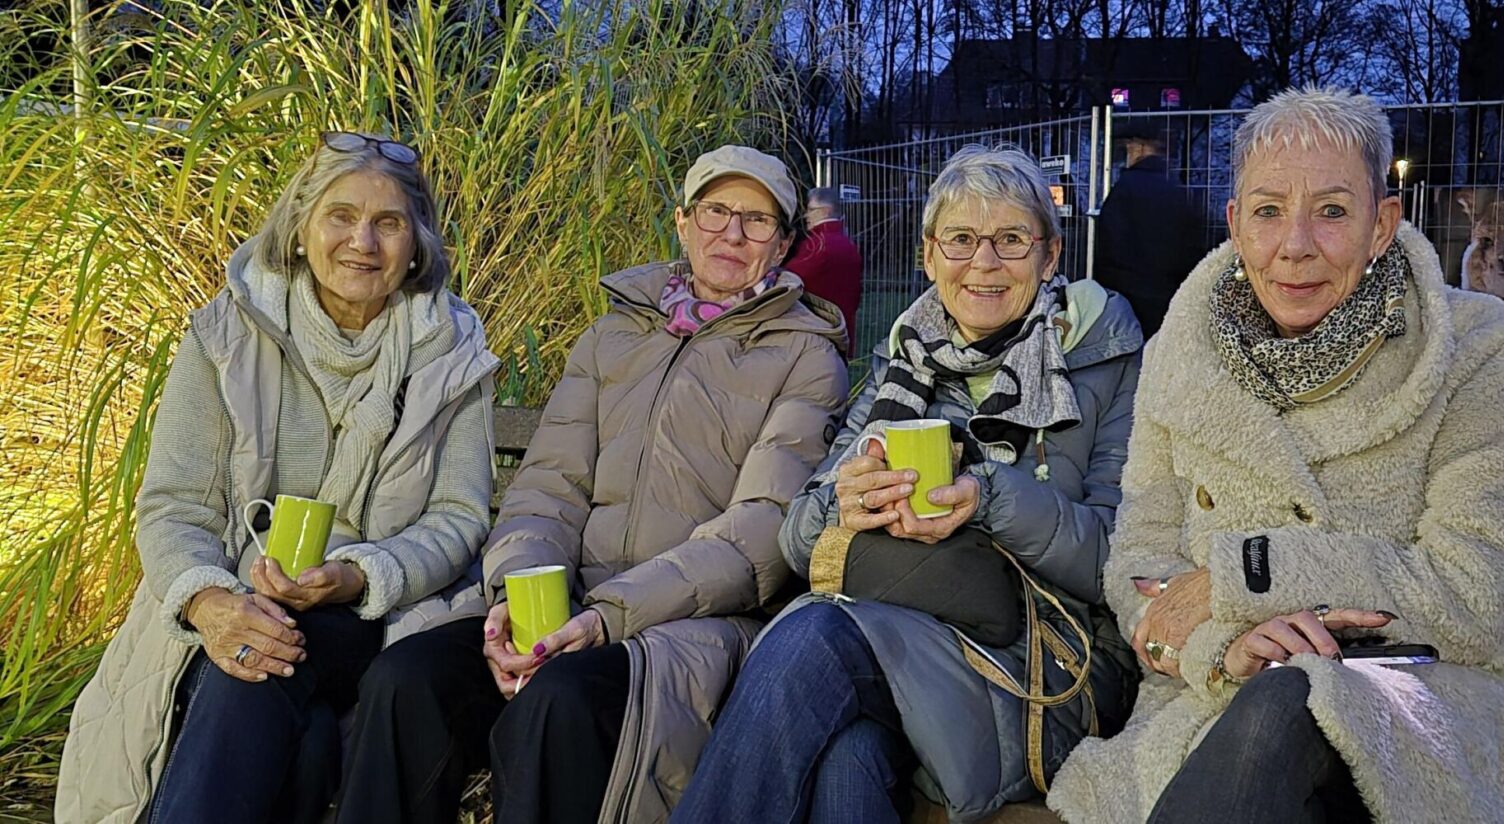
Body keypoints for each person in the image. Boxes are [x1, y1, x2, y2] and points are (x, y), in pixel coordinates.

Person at [1046, 87, 1504, 824]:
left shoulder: (1487, 353)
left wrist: (1246, 576)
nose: (1294, 245)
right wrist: (1224, 642)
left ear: (1382, 224)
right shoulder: (1179, 358)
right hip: (1214, 695)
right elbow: (1140, 558)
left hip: (1434, 689)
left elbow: (1470, 590)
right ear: (1234, 224)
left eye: (1331, 211)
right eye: (1267, 211)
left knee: (1291, 703)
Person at [333, 144, 850, 824]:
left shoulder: (806, 354)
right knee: (405, 681)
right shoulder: (611, 335)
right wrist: (523, 599)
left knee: (561, 702)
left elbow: (754, 537)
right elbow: (548, 488)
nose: (731, 232)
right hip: (565, 607)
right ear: (683, 221)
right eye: (716, 211)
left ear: (783, 244)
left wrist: (606, 617)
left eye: (757, 221)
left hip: (687, 627)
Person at [673, 144, 1143, 824]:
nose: (983, 263)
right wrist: (845, 499)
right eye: (960, 240)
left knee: (812, 642)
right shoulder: (908, 360)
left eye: (1011, 240)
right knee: (849, 763)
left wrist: (989, 497)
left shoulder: (1107, 358)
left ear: (1050, 255)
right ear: (929, 256)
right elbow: (801, 539)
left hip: (1044, 666)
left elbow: (1118, 560)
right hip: (898, 635)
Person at [56, 132, 499, 824]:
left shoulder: (453, 351)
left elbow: (458, 516)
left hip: (376, 613)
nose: (364, 242)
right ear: (300, 229)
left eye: (388, 223)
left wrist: (359, 573)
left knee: (260, 657)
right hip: (237, 591)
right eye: (341, 216)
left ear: (418, 244)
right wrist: (209, 601)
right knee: (297, 717)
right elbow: (175, 506)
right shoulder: (228, 335)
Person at [1093, 121, 1209, 338]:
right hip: (1168, 300)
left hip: (1126, 302)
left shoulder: (1122, 191)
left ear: (1139, 148)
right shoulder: (1177, 192)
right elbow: (1192, 251)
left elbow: (1109, 247)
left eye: (1128, 147)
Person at [785, 185, 864, 352]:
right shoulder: (849, 245)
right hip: (842, 332)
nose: (806, 215)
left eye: (811, 209)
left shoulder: (817, 245)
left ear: (826, 211)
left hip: (816, 336)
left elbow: (788, 279)